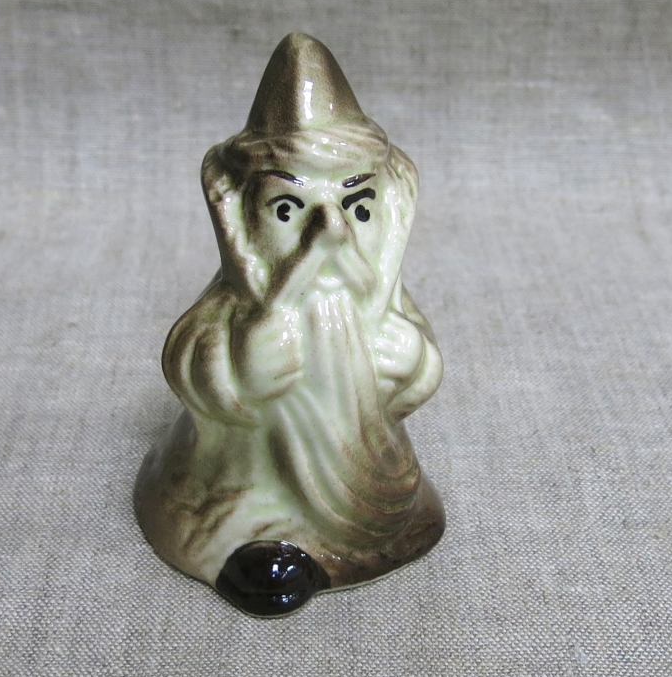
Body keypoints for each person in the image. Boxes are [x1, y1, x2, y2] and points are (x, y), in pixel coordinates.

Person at [135, 33, 445, 616]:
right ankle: (260, 546)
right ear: (242, 218)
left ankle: (362, 542)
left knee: (400, 510)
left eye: (358, 208)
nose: (330, 234)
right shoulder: (236, 308)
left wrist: (410, 359)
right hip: (247, 480)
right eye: (288, 209)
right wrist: (244, 367)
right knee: (240, 510)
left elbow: (418, 374)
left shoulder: (377, 301)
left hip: (374, 478)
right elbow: (192, 364)